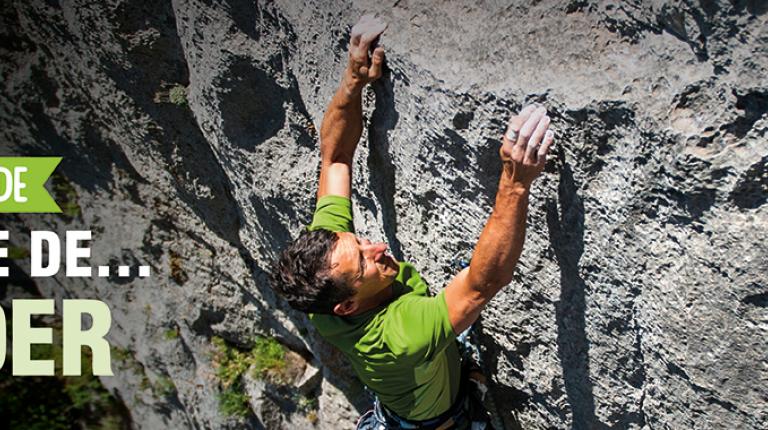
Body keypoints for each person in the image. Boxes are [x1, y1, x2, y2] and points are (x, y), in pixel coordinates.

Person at [270, 14, 554, 429]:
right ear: (346, 305)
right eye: (366, 263)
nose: (378, 248)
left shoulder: (325, 272)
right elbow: (482, 284)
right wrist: (514, 182)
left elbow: (334, 159)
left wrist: (353, 81)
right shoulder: (399, 336)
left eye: (359, 242)